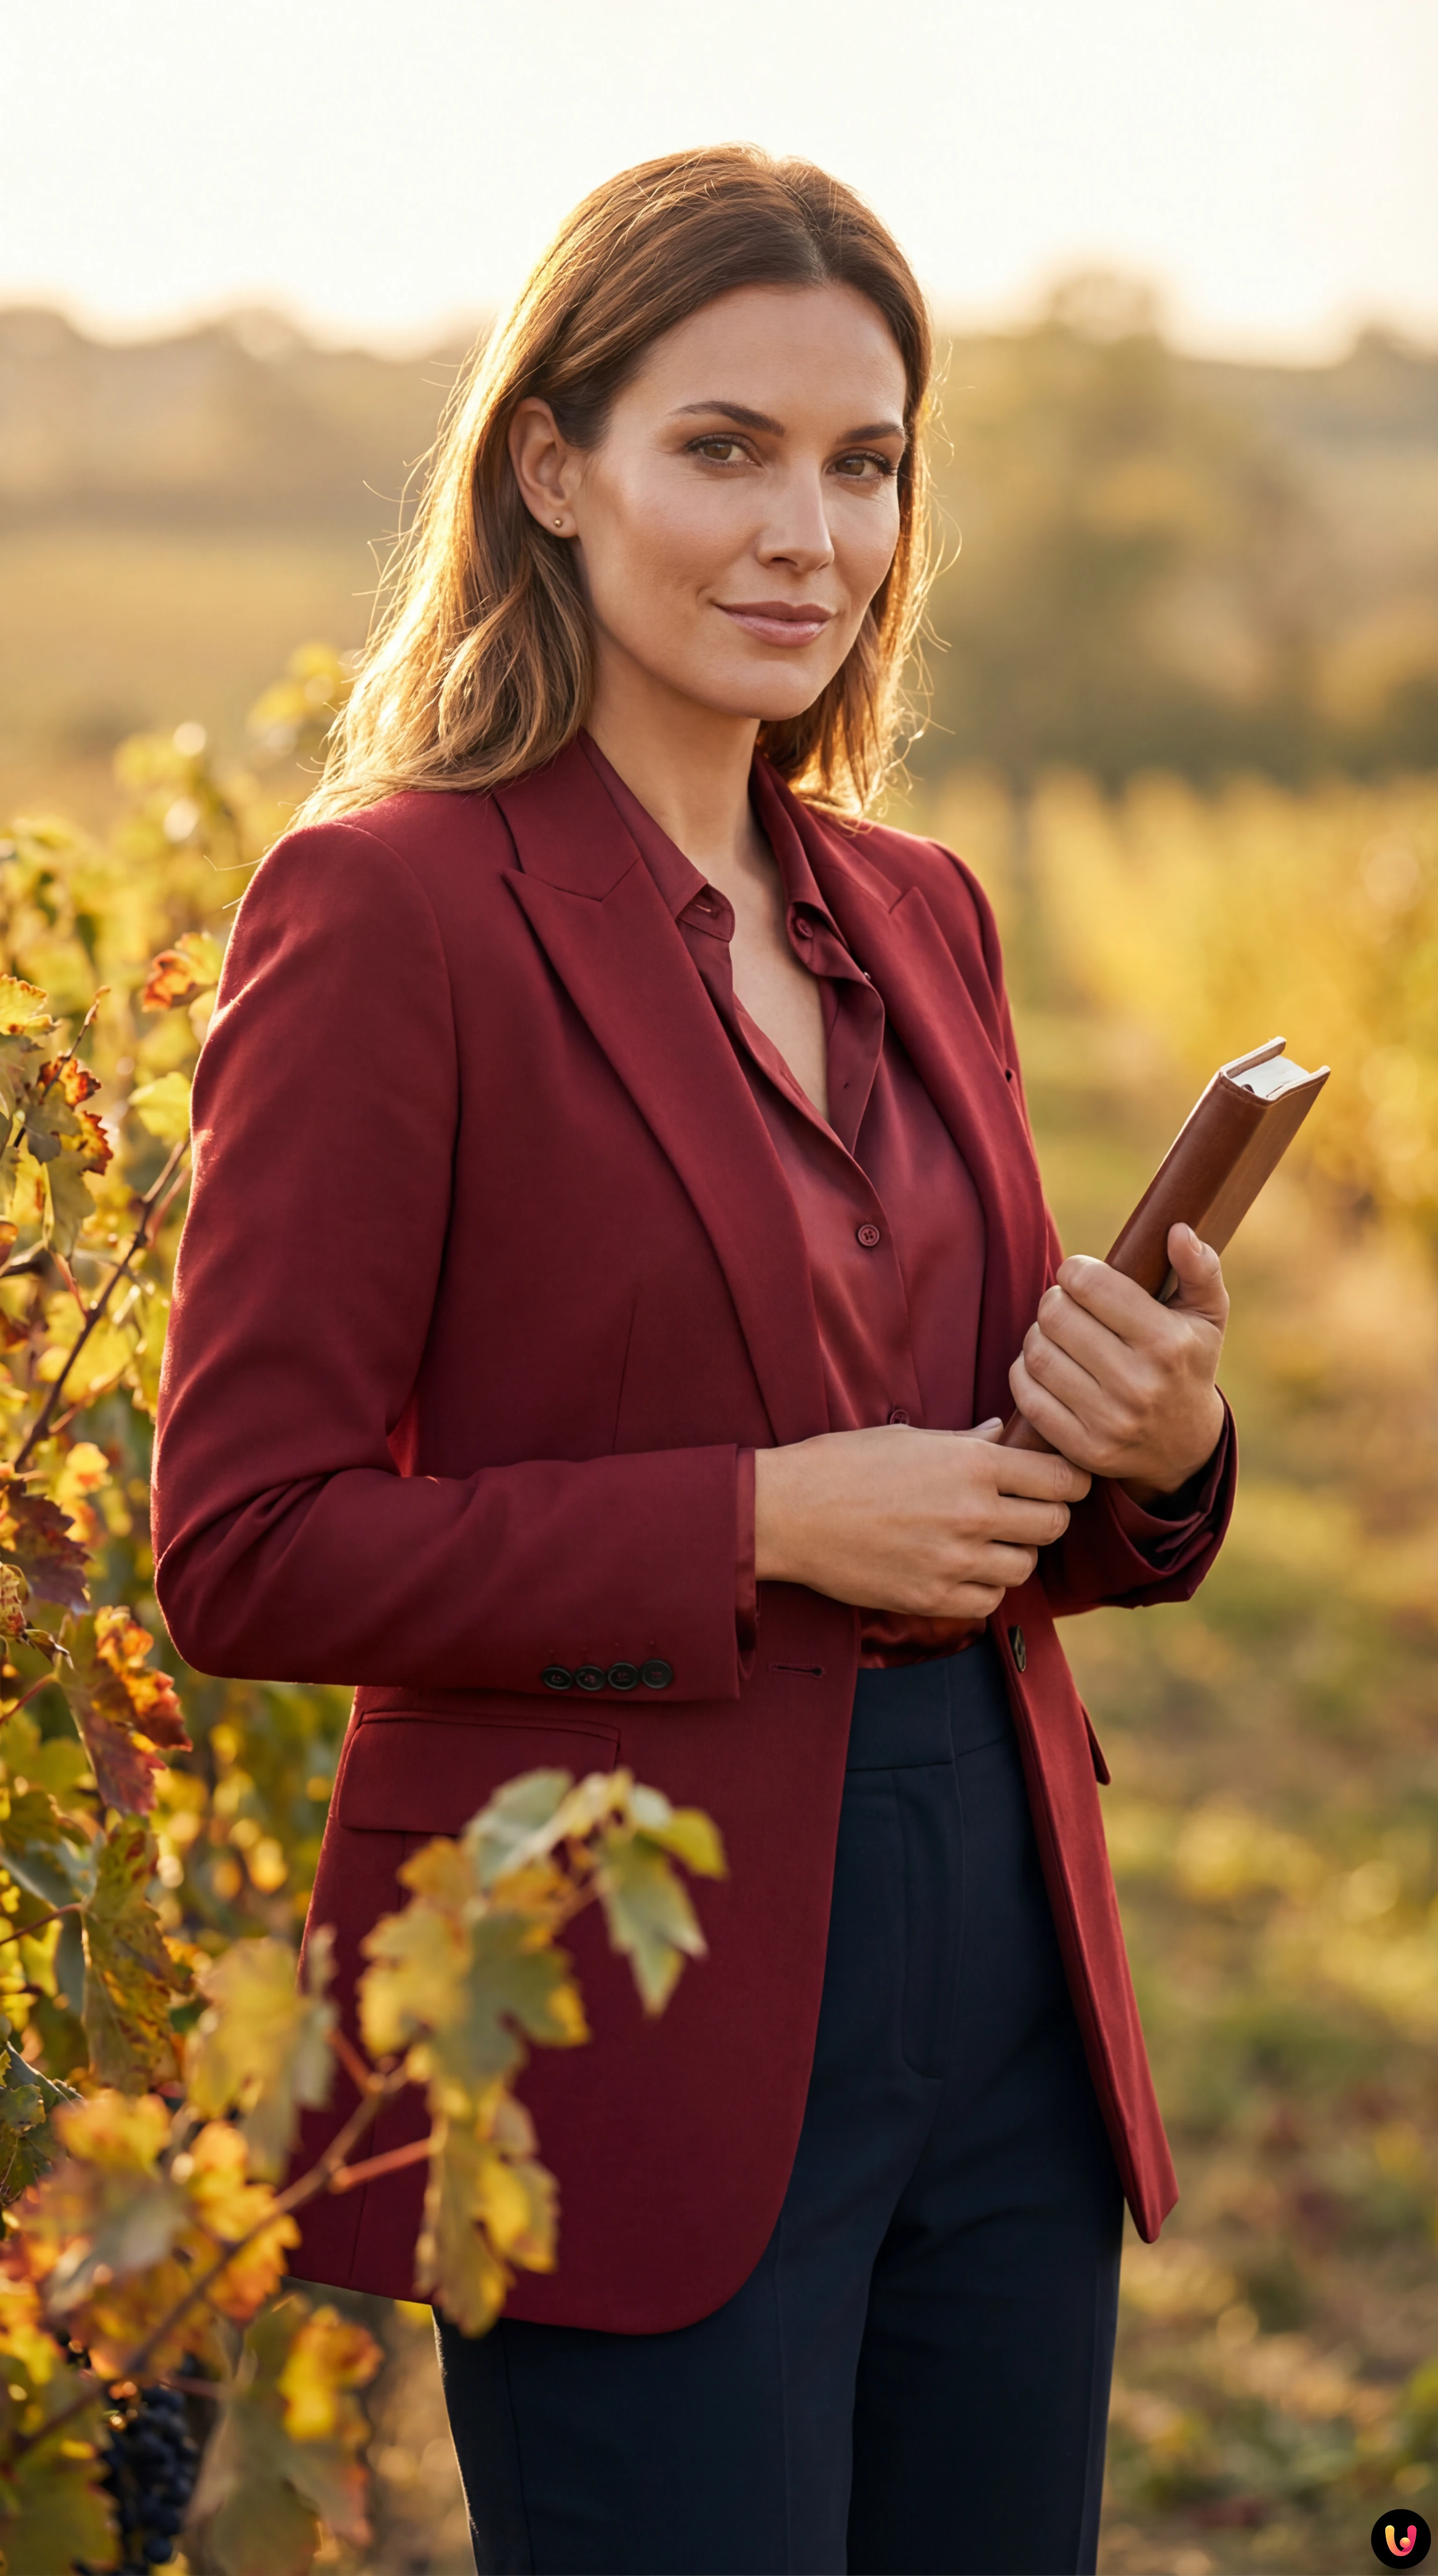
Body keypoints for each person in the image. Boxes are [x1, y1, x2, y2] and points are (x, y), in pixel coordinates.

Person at [151, 146, 1236, 2576]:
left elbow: (1001, 1478)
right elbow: (239, 1547)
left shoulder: (919, 909)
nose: (808, 534)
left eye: (864, 466)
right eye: (722, 448)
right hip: (611, 1998)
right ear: (552, 467)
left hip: (1004, 1972)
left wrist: (1164, 1447)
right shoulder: (387, 910)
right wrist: (752, 1523)